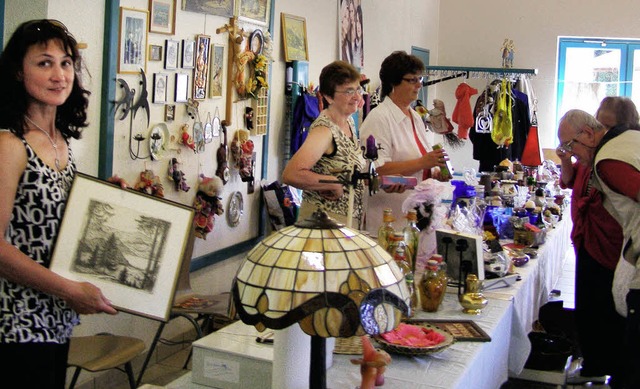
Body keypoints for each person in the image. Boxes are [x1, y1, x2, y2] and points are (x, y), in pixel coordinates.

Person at [0, 19, 118, 388]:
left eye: (66, 63)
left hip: (54, 320)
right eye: (44, 63)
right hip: (15, 323)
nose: (59, 75)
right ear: (19, 73)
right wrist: (69, 290)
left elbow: (47, 220)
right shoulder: (10, 144)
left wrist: (105, 197)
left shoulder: (60, 142)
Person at [556, 97, 638, 387]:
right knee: (591, 305)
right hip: (590, 240)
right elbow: (569, 182)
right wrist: (567, 159)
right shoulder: (594, 158)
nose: (569, 152)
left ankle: (608, 366)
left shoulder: (609, 161)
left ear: (590, 133)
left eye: (570, 145)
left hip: (614, 243)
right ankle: (597, 363)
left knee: (611, 308)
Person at [359, 50, 449, 237]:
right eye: (412, 80)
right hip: (388, 221)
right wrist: (423, 163)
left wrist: (435, 172)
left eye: (420, 80)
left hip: (415, 217)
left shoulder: (415, 117)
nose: (418, 86)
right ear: (393, 82)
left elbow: (418, 162)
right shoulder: (379, 118)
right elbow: (375, 170)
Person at [282, 60, 365, 227]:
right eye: (349, 91)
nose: (357, 97)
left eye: (358, 89)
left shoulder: (349, 123)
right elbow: (291, 174)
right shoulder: (324, 131)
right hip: (322, 225)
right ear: (328, 97)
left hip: (346, 223)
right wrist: (331, 183)